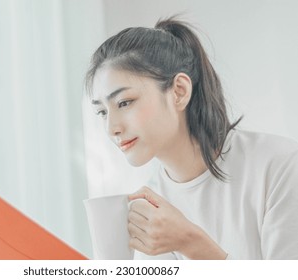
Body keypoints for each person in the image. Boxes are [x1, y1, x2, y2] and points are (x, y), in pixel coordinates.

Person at [84, 16, 298, 260]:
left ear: (179, 91)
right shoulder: (149, 209)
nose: (112, 128)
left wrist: (190, 242)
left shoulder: (280, 166)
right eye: (102, 112)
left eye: (124, 102)